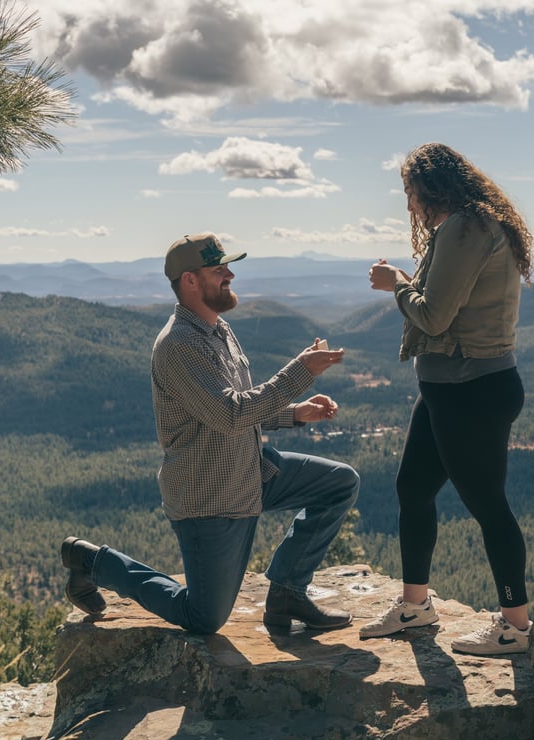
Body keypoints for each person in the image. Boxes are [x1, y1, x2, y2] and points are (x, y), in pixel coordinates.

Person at [61, 233, 359, 634]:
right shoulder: (180, 344)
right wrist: (300, 372)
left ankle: (287, 592)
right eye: (218, 269)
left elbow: (237, 407)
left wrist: (295, 414)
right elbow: (231, 415)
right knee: (203, 619)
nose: (230, 275)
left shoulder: (219, 331)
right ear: (189, 280)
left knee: (339, 484)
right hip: (211, 497)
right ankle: (93, 562)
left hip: (250, 473)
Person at [359, 143, 534, 655]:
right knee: (412, 488)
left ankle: (515, 627)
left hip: (469, 389)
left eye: (410, 193)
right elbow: (445, 307)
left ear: (432, 187)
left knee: (488, 506)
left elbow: (433, 317)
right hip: (449, 389)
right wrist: (409, 286)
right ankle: (416, 606)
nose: (409, 204)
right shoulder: (473, 224)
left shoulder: (466, 227)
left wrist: (396, 284)